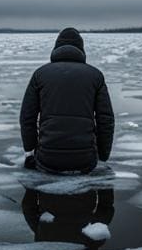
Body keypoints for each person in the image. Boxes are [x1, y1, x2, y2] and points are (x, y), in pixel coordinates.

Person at [19, 27, 114, 174]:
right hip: (86, 160)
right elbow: (105, 120)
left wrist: (29, 152)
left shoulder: (40, 74)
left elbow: (27, 117)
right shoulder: (95, 76)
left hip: (46, 158)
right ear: (81, 49)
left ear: (56, 47)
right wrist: (103, 157)